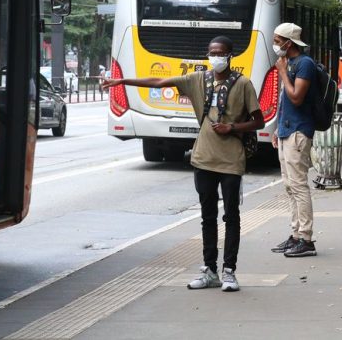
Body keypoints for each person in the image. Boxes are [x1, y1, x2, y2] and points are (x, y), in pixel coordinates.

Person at [103, 36, 264, 292]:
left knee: (231, 216)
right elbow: (157, 81)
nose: (215, 57)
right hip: (203, 159)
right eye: (212, 53)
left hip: (232, 161)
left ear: (230, 55)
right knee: (207, 217)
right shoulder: (197, 79)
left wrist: (231, 127)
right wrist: (122, 81)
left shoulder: (243, 84)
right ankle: (210, 270)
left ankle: (229, 271)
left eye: (220, 53)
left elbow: (259, 121)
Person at [270, 22, 319, 258]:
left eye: (278, 41)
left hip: (299, 132)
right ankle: (296, 234)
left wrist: (281, 72)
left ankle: (306, 238)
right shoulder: (288, 63)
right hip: (286, 131)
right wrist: (276, 130)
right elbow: (283, 102)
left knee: (298, 186)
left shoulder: (304, 64)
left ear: (289, 43)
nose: (275, 45)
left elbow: (296, 98)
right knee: (289, 187)